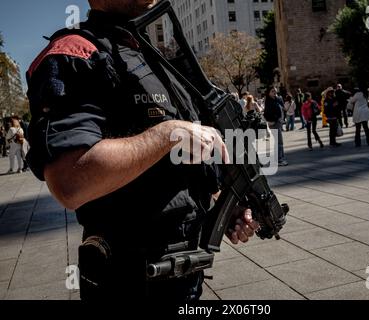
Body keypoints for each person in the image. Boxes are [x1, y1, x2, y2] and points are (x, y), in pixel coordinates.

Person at [26, 0, 259, 301]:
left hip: (185, 272)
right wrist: (167, 134)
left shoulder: (146, 55)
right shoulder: (75, 51)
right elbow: (70, 182)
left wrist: (224, 208)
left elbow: (179, 167)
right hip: (130, 283)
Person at [264, 86, 288, 166]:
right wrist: (275, 119)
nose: (274, 93)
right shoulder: (269, 102)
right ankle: (279, 160)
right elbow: (267, 114)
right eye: (272, 91)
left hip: (278, 123)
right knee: (278, 142)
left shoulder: (276, 100)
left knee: (278, 142)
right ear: (268, 93)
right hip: (274, 123)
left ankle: (279, 158)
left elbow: (283, 108)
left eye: (275, 91)